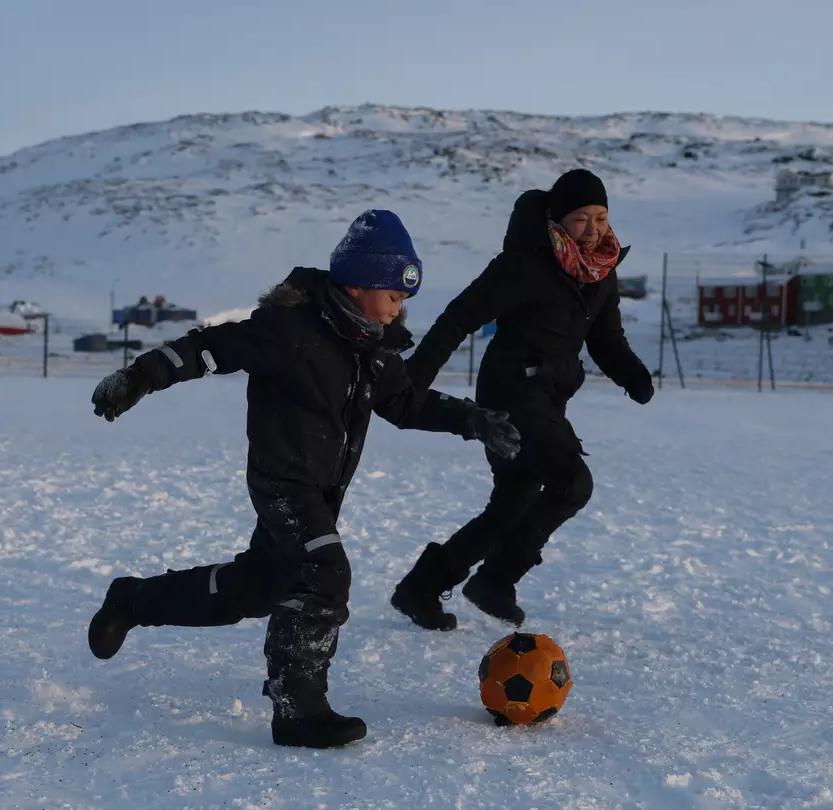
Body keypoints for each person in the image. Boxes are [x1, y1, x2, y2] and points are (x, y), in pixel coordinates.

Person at [85, 210, 521, 749]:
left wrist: (472, 419)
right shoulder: (290, 330)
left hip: (322, 491)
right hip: (282, 482)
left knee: (256, 588)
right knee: (324, 569)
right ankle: (298, 708)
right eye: (393, 295)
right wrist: (139, 376)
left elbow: (407, 403)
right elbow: (210, 348)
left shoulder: (374, 348)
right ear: (358, 285)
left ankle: (133, 601)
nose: (399, 308)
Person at [390, 169, 654, 632]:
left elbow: (606, 338)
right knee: (572, 482)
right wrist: (416, 379)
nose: (592, 230)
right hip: (510, 393)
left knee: (513, 503)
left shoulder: (601, 271)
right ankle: (496, 578)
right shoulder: (525, 263)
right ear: (557, 219)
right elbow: (458, 317)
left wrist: (632, 374)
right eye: (580, 219)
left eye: (600, 218)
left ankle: (422, 587)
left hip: (550, 398)